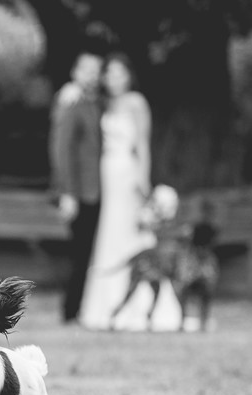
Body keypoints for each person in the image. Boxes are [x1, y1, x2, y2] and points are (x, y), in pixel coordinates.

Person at [78, 52, 183, 331]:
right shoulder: (103, 103)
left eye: (119, 73)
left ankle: (143, 304)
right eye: (109, 74)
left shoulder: (137, 102)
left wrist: (143, 179)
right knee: (108, 232)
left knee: (132, 232)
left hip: (127, 172)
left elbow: (143, 144)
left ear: (129, 75)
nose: (113, 79)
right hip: (107, 173)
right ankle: (105, 305)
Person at [48, 48, 105, 325]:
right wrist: (67, 193)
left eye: (97, 71)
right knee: (80, 252)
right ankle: (70, 311)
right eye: (87, 70)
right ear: (75, 72)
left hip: (98, 189)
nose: (93, 76)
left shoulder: (96, 102)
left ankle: (85, 307)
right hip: (79, 191)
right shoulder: (70, 102)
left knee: (91, 251)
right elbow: (61, 150)